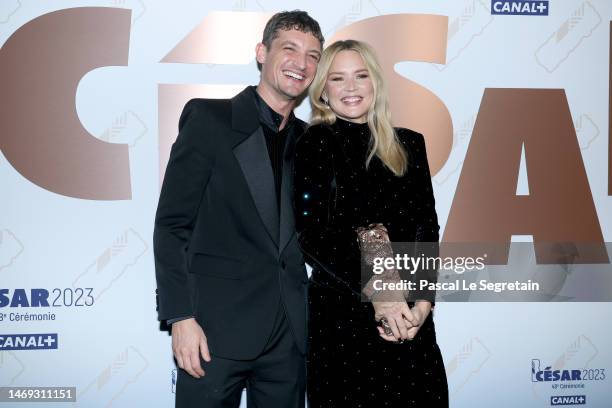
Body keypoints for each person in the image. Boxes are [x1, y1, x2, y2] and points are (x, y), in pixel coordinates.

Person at [154, 11, 323, 408]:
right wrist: (180, 317)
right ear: (262, 53)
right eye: (290, 49)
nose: (301, 63)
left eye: (313, 55)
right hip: (213, 332)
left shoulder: (312, 142)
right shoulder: (211, 120)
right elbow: (172, 225)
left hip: (289, 338)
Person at [293, 39, 449, 407]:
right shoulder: (315, 142)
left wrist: (424, 302)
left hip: (411, 317)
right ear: (323, 92)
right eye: (337, 79)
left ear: (375, 83)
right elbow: (312, 234)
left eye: (361, 76)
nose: (351, 87)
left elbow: (426, 228)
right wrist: (381, 294)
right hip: (343, 319)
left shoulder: (410, 144)